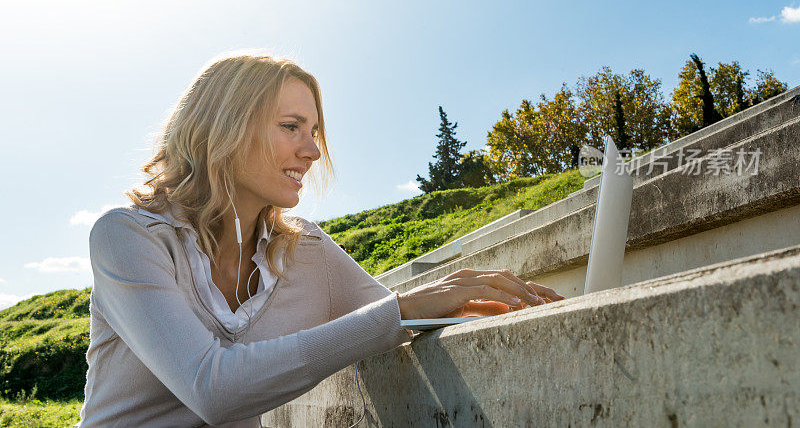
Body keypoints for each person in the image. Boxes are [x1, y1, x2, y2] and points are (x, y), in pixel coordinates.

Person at [77, 51, 564, 427]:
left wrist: (488, 304)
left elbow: (395, 319)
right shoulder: (128, 236)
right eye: (291, 127)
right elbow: (211, 387)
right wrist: (402, 309)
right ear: (220, 129)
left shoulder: (306, 249)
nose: (312, 150)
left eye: (314, 131)